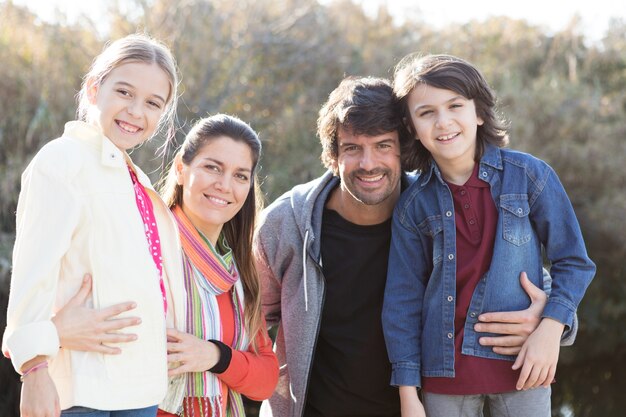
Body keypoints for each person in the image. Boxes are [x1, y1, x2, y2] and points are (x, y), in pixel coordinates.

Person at [253, 76, 570, 417]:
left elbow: (516, 268)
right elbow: (247, 317)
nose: (369, 163)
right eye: (352, 148)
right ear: (332, 155)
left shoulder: (434, 207)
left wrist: (554, 321)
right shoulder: (287, 224)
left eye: (384, 145)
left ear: (404, 148)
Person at [382, 54, 596, 417]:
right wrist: (408, 392)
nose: (443, 121)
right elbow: (402, 302)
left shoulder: (529, 176)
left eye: (455, 106)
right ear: (411, 126)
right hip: (444, 377)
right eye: (426, 112)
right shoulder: (413, 207)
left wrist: (550, 330)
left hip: (524, 368)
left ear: (478, 112)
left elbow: (574, 261)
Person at [2, 34, 186, 417]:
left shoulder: (132, 177)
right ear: (93, 88)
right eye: (124, 92)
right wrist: (34, 368)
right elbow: (33, 275)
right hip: (85, 393)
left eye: (153, 103)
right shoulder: (63, 160)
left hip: (139, 389)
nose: (136, 111)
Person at [156, 114, 279, 417]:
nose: (225, 186)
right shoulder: (150, 248)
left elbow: (266, 379)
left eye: (240, 175)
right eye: (213, 167)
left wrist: (214, 356)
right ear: (181, 170)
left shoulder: (237, 272)